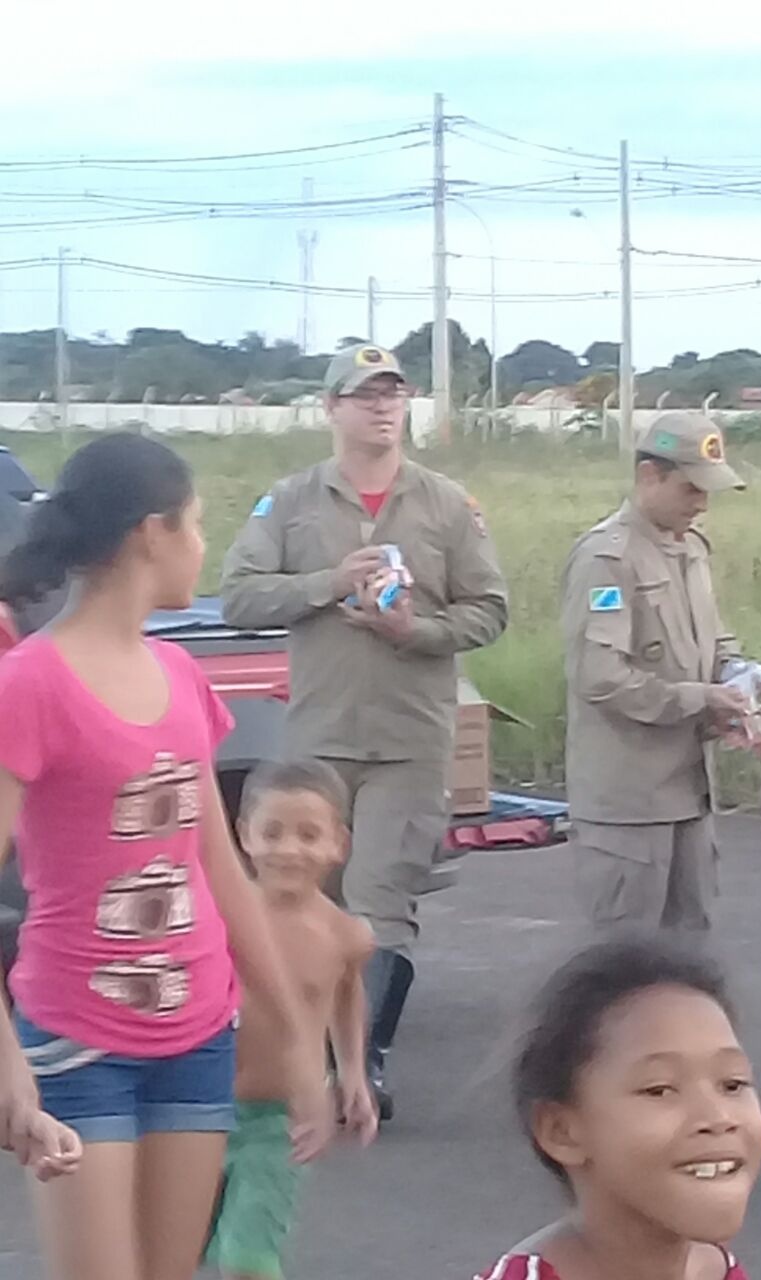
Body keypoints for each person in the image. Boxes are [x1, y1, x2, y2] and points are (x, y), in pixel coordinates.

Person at [0, 432, 332, 1280]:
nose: (202, 545)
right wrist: (8, 1066)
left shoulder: (184, 676)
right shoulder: (30, 685)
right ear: (152, 533)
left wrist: (298, 1039)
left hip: (196, 1038)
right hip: (77, 1044)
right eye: (194, 523)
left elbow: (220, 873)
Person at [221, 343, 508, 1118]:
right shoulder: (292, 500)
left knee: (382, 902)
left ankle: (366, 1060)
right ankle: (301, 1052)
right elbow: (239, 596)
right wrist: (328, 582)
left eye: (393, 393)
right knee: (313, 898)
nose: (382, 406)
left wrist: (416, 629)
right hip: (320, 733)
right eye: (364, 395)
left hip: (410, 734)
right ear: (332, 409)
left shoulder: (447, 504)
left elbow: (490, 610)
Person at [473, 937, 761, 1280]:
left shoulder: (719, 1271)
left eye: (732, 1084)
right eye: (659, 1089)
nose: (718, 1118)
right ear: (561, 1130)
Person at [561, 412, 751, 935]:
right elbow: (598, 675)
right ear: (650, 476)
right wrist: (699, 699)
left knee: (691, 954)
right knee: (626, 963)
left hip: (689, 792)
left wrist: (739, 677)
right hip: (628, 802)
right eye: (691, 489)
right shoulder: (607, 558)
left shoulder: (692, 549)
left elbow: (712, 638)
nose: (702, 504)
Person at [206, 759, 378, 1280]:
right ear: (243, 835)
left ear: (338, 845)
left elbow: (346, 997)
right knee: (170, 1244)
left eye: (308, 835)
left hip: (279, 1121)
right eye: (273, 832)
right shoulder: (217, 915)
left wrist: (352, 1072)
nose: (289, 849)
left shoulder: (346, 935)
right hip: (197, 1107)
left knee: (248, 1259)